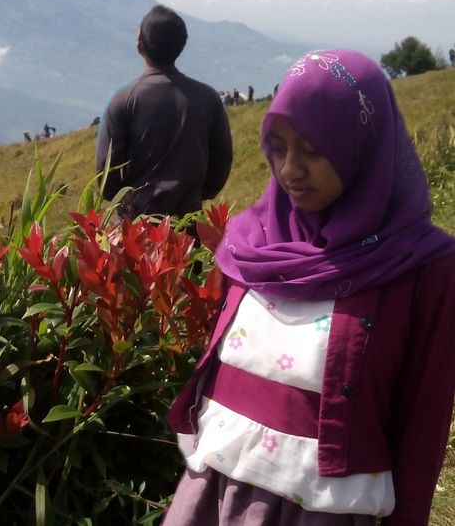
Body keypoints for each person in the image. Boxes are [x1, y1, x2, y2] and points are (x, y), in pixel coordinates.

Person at [164, 49, 455, 525]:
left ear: (364, 147)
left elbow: (423, 426)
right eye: (278, 146)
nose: (290, 170)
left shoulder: (423, 270)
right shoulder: (250, 243)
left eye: (314, 150)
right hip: (212, 495)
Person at [96, 5, 233, 219]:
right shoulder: (209, 98)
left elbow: (106, 170)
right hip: (188, 225)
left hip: (136, 229)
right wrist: (198, 194)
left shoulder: (122, 100)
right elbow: (222, 158)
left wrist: (123, 201)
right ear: (182, 45)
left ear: (140, 46)